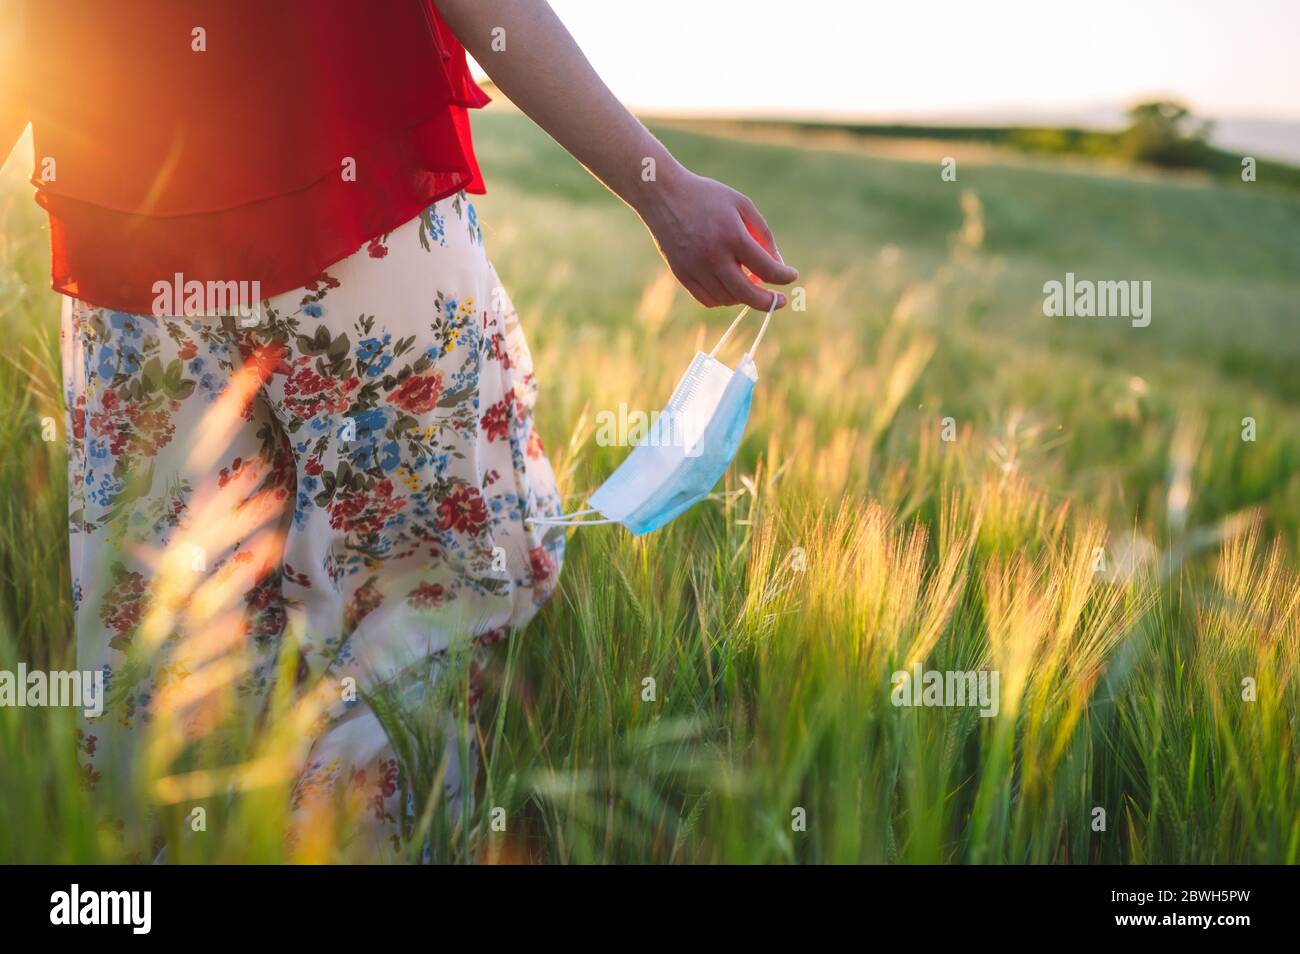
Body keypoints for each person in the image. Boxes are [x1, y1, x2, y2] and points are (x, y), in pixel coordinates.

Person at [0, 0, 796, 851]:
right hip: (349, 201)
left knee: (167, 642)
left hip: (125, 237)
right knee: (428, 598)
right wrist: (661, 184)